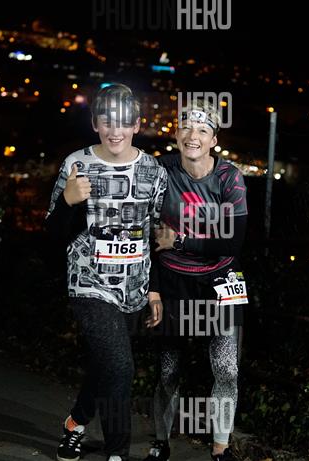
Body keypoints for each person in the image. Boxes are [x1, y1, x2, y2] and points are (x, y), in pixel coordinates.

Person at [45, 83, 167, 461]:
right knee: (121, 366)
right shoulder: (76, 164)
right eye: (107, 121)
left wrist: (154, 289)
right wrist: (67, 202)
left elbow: (156, 234)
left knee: (106, 365)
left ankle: (76, 423)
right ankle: (117, 453)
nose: (116, 131)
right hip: (89, 283)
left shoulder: (153, 170)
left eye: (124, 122)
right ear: (95, 123)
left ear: (137, 124)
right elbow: (52, 234)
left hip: (134, 285)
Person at [144, 98, 248, 461]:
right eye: (187, 127)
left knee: (227, 369)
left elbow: (232, 241)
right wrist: (153, 289)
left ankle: (220, 450)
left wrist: (181, 240)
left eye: (203, 130)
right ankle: (161, 443)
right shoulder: (161, 171)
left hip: (221, 280)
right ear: (176, 134)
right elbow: (148, 236)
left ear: (213, 140)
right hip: (174, 279)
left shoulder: (229, 177)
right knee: (168, 371)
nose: (193, 135)